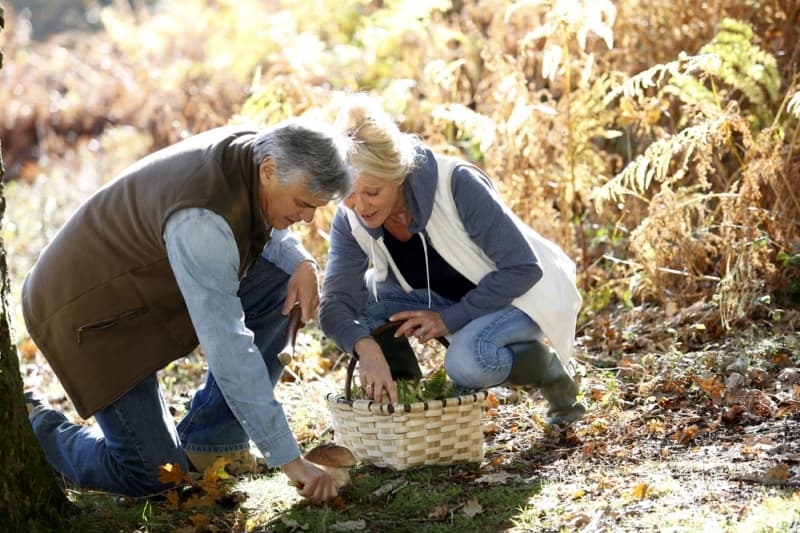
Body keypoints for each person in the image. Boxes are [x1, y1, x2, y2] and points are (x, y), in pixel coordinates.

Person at [21, 119, 352, 501]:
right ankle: (37, 426)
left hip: (138, 292)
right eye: (302, 204)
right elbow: (228, 349)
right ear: (269, 170)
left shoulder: (256, 153)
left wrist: (301, 261)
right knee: (156, 477)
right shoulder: (203, 220)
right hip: (84, 312)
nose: (308, 218)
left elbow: (264, 222)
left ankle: (212, 444)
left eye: (316, 207)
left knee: (281, 278)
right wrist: (289, 459)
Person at [318, 94, 585, 425]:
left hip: (520, 295)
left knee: (467, 364)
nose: (361, 206)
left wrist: (450, 318)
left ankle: (551, 371)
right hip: (447, 299)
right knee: (365, 307)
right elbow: (334, 304)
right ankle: (406, 408)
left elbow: (523, 268)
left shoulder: (455, 183)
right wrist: (365, 346)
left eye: (373, 192)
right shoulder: (350, 218)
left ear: (398, 174)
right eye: (348, 194)